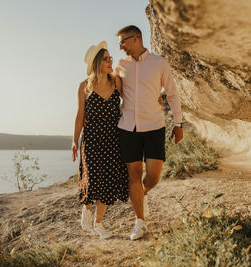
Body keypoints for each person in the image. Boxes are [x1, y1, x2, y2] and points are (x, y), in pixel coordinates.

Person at [115, 25, 183, 240]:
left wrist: (178, 123)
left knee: (153, 176)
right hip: (128, 127)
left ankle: (140, 194)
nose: (121, 46)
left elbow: (171, 93)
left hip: (154, 126)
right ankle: (139, 221)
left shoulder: (159, 63)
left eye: (123, 41)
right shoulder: (120, 65)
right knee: (134, 174)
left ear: (135, 38)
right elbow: (107, 88)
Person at [72, 41, 129, 239]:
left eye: (110, 58)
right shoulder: (84, 86)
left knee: (107, 182)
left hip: (113, 139)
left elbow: (131, 100)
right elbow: (80, 116)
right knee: (92, 178)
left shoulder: (116, 82)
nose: (110, 61)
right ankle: (87, 209)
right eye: (106, 59)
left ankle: (98, 224)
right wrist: (74, 141)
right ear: (97, 63)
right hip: (92, 140)